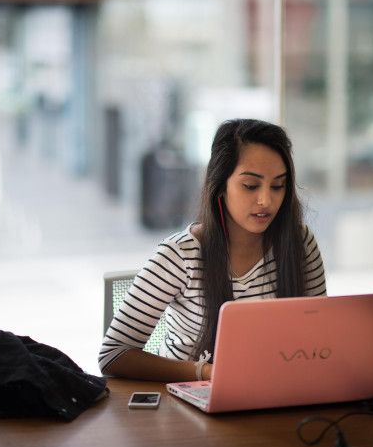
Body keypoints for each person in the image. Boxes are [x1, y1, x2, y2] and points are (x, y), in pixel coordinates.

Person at [98, 118, 326, 382]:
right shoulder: (179, 256)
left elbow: (316, 340)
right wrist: (205, 372)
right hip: (186, 405)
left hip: (274, 391)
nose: (266, 200)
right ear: (220, 185)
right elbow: (114, 355)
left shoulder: (299, 243)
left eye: (278, 186)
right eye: (250, 186)